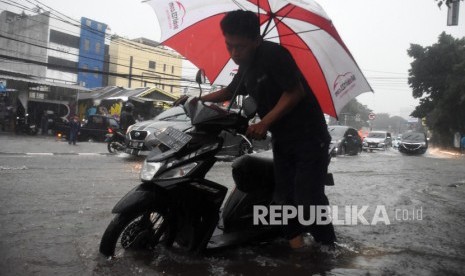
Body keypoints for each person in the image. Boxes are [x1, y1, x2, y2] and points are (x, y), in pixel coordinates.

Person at [176, 10, 336, 250]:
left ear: (256, 40)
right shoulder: (246, 64)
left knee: (308, 199)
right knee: (284, 198)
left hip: (309, 137)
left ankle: (328, 247)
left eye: (239, 47)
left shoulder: (275, 55)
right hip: (283, 138)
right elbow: (229, 92)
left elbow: (295, 92)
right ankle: (299, 254)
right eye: (229, 46)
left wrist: (264, 122)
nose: (234, 54)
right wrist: (195, 100)